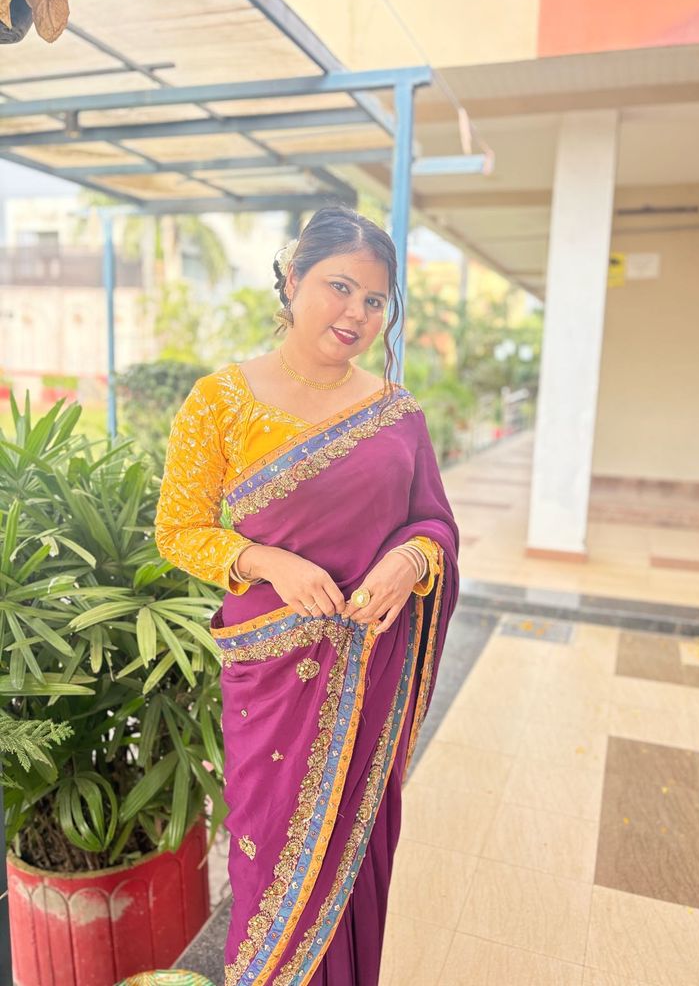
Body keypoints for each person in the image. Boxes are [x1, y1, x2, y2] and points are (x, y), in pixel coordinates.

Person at [154, 205, 459, 985]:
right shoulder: (220, 401)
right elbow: (179, 531)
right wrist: (265, 561)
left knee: (352, 864)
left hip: (369, 671)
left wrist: (415, 562)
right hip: (271, 678)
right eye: (339, 287)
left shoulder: (396, 414)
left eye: (375, 300)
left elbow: (432, 522)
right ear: (291, 281)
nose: (356, 312)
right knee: (272, 862)